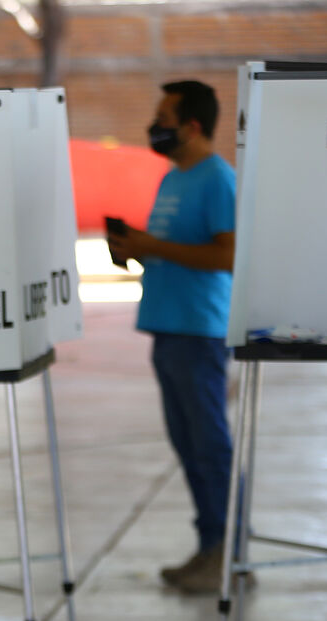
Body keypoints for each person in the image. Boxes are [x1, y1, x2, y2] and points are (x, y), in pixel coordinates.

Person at [107, 80, 243, 595]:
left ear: (191, 125)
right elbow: (171, 248)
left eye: (164, 116)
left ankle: (229, 553)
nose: (154, 125)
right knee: (189, 443)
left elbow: (228, 256)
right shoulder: (173, 178)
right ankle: (211, 546)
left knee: (211, 445)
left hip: (199, 330)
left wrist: (154, 244)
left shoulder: (216, 180)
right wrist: (135, 248)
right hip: (167, 325)